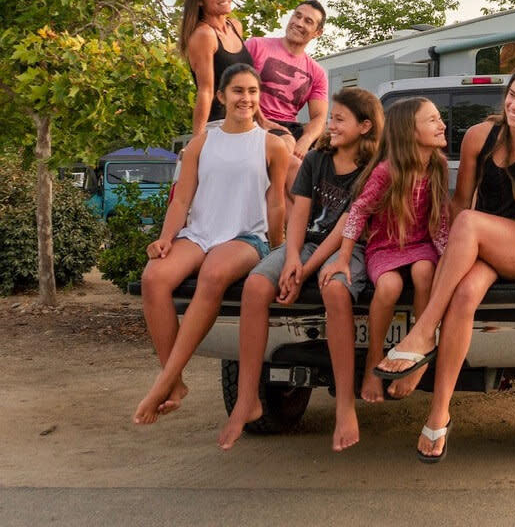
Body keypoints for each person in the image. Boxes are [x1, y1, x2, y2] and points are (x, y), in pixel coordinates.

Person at [373, 64, 515, 462]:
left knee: (469, 223)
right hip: (482, 243)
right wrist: (448, 257)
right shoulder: (481, 137)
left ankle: (422, 333)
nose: (514, 105)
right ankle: (439, 415)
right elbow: (461, 199)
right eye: (512, 95)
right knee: (463, 296)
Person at [217, 87, 384, 452]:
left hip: (348, 248)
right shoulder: (316, 159)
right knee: (256, 286)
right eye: (332, 118)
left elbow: (345, 229)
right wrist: (291, 257)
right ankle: (248, 397)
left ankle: (344, 406)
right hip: (306, 243)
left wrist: (305, 272)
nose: (330, 124)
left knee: (336, 291)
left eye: (340, 119)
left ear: (365, 126)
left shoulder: (373, 168)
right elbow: (300, 215)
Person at [133, 64, 288, 425]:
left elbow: (276, 203)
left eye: (252, 91)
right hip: (199, 233)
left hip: (247, 236)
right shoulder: (202, 142)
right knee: (153, 278)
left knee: (214, 273)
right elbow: (181, 199)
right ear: (221, 96)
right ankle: (176, 383)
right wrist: (165, 238)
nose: (245, 98)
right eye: (237, 91)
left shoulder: (271, 145)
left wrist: (278, 249)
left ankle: (163, 382)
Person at [321, 97, 450, 405]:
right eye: (432, 120)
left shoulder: (438, 166)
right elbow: (358, 212)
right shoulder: (386, 171)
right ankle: (374, 359)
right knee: (389, 285)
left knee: (425, 271)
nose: (442, 124)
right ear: (410, 132)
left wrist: (447, 256)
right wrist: (342, 258)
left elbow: (441, 219)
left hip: (421, 245)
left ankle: (417, 348)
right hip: (385, 247)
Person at [245, 0, 329, 198]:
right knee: (290, 154)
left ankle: (304, 222)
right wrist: (259, 120)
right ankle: (304, 223)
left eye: (308, 21)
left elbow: (319, 118)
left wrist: (306, 140)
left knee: (329, 159)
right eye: (297, 15)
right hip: (254, 121)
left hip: (289, 127)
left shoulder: (316, 72)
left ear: (318, 32)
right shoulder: (257, 46)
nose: (299, 23)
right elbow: (234, 87)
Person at [179, 0, 255, 137]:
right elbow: (206, 91)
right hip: (220, 125)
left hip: (247, 120)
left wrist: (263, 120)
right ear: (200, 0)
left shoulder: (235, 26)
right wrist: (197, 141)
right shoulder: (204, 34)